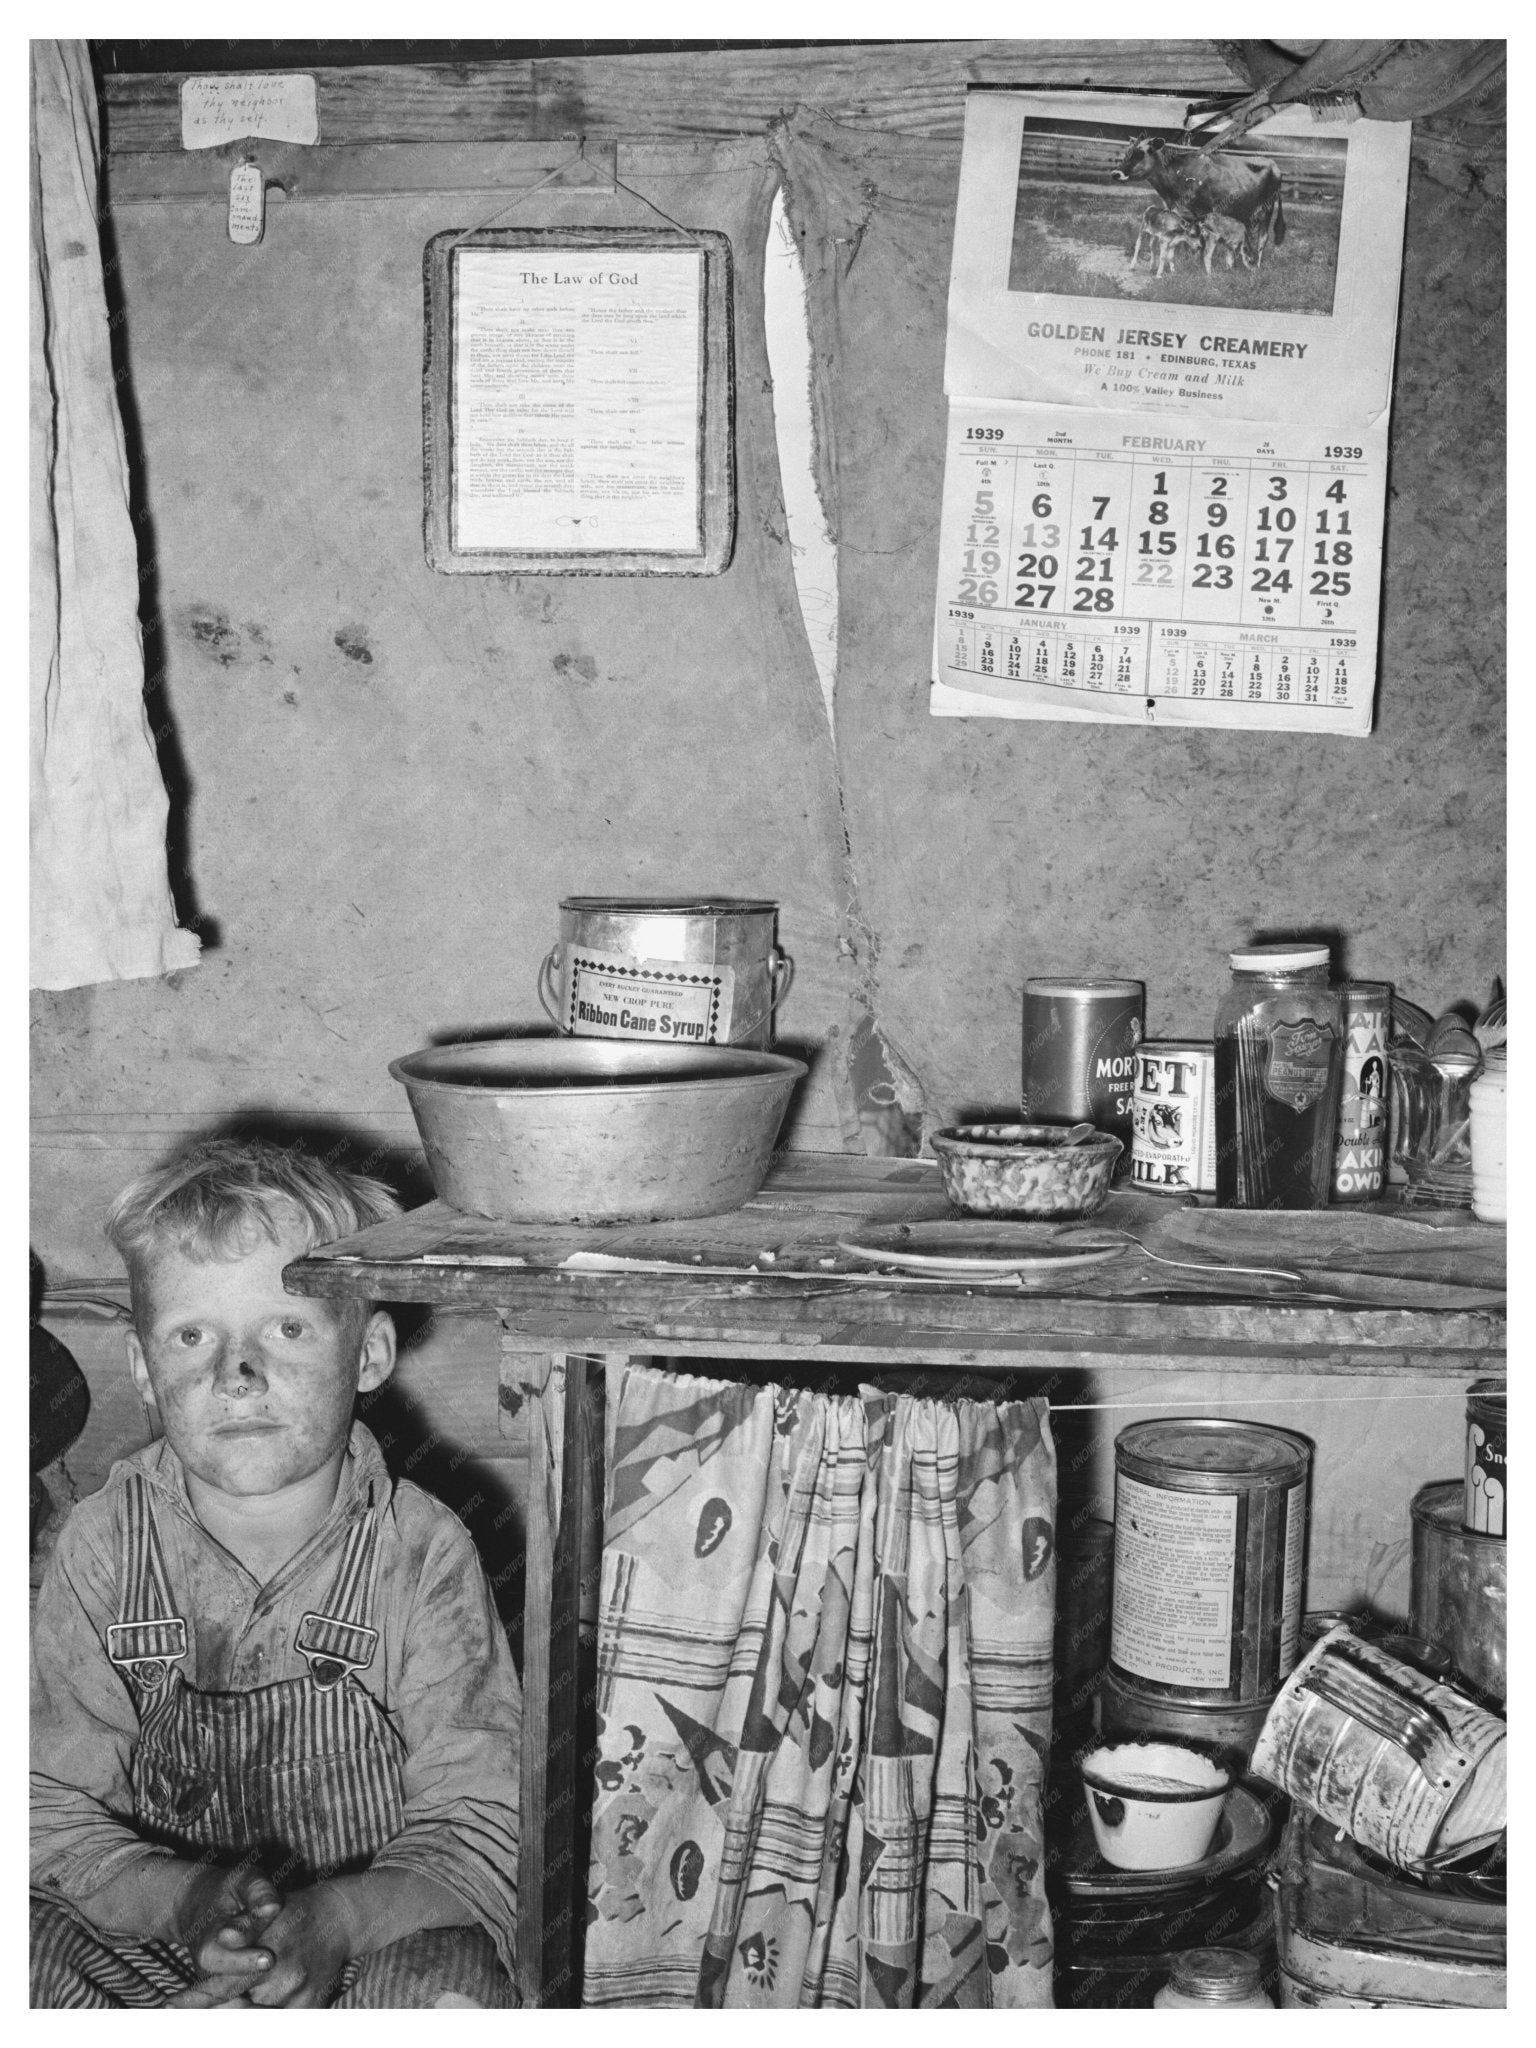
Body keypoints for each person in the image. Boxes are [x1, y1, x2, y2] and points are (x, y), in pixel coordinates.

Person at [30, 1137, 522, 2009]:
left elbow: (485, 1827)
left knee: (450, 1988)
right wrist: (187, 1901)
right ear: (144, 1370)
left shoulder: (422, 1550)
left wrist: (334, 1920)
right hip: (157, 1935)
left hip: (371, 1932)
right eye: (192, 1337)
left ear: (367, 1356)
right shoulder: (102, 1543)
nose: (238, 1375)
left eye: (287, 1328)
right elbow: (42, 1813)